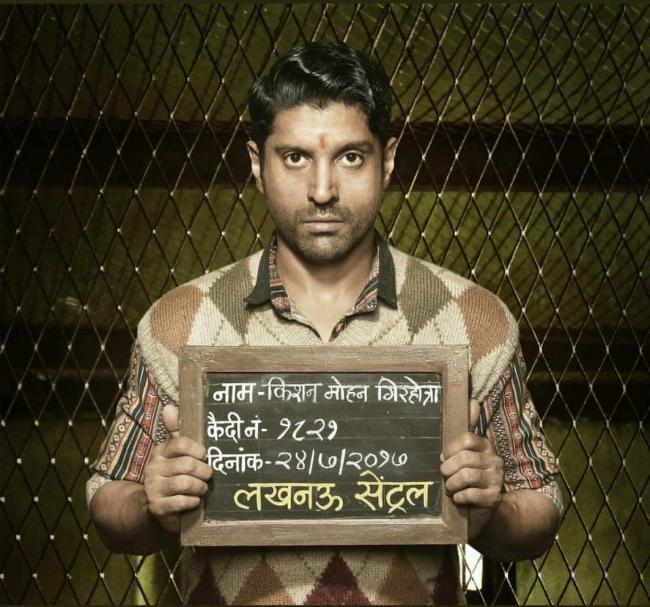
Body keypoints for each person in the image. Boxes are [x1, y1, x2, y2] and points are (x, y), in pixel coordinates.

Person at [87, 41, 561, 604]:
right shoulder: (178, 321)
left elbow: (541, 504)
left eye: (350, 157)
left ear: (387, 161)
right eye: (295, 157)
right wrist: (151, 502)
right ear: (256, 164)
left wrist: (491, 507)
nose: (322, 190)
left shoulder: (473, 319)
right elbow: (108, 499)